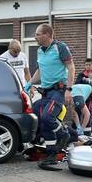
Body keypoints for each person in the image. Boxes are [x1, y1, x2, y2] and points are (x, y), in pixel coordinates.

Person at [23, 23, 75, 170]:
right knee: (38, 117)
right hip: (45, 92)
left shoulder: (60, 47)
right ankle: (51, 154)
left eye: (38, 34)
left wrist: (69, 90)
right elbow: (40, 70)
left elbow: (71, 67)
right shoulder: (40, 51)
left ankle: (64, 135)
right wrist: (29, 83)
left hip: (58, 91)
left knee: (48, 117)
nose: (35, 37)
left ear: (46, 34)